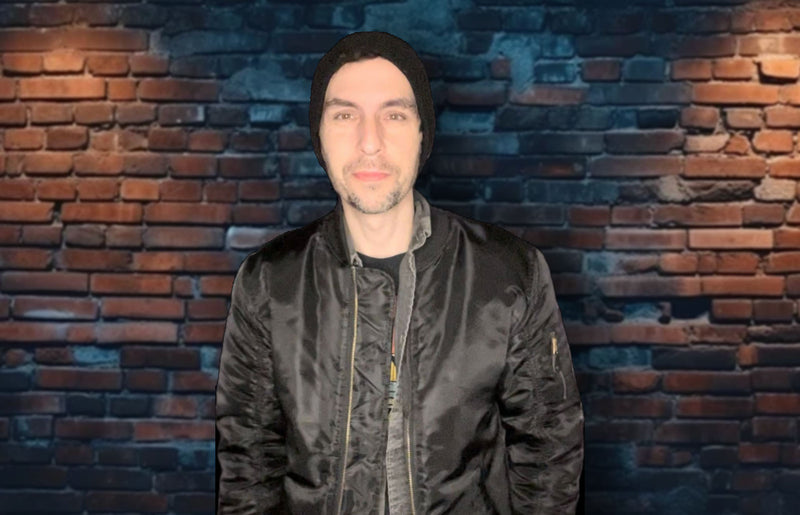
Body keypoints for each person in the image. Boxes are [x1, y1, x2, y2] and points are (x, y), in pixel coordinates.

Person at [215, 31, 584, 514]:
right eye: (345, 115)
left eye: (394, 114)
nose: (370, 142)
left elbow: (550, 457)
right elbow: (247, 467)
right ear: (319, 136)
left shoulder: (510, 273)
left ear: (422, 133)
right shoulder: (267, 282)